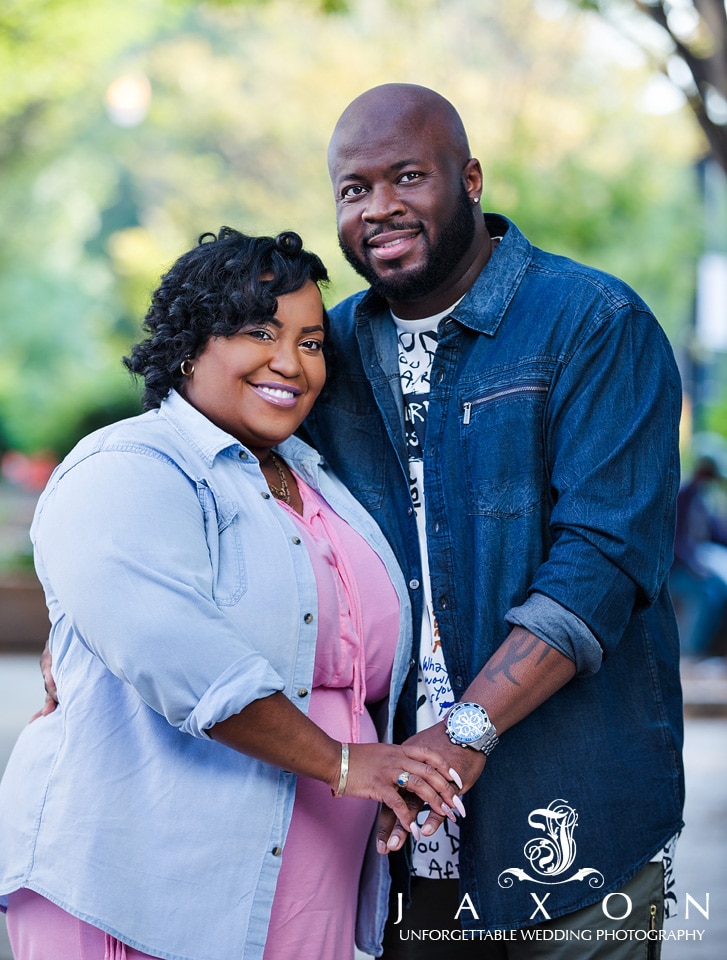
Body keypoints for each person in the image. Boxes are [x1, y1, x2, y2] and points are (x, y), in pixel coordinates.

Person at [0, 227, 466, 960]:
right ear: (190, 344)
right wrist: (347, 764)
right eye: (259, 331)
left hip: (307, 883)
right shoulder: (130, 467)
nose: (291, 362)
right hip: (139, 884)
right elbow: (183, 658)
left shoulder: (318, 484)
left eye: (311, 342)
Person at [299, 83, 685, 957]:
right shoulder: (326, 351)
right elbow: (212, 457)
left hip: (570, 808)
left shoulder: (591, 322)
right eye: (353, 190)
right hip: (396, 831)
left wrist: (466, 729)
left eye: (406, 176)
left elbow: (602, 562)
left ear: (469, 178)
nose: (380, 208)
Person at [670, 454, 727, 657]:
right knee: (705, 595)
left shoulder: (702, 500)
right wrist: (694, 565)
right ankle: (689, 651)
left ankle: (706, 649)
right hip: (677, 570)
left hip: (696, 566)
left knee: (719, 591)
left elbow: (715, 534)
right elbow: (675, 541)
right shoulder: (682, 496)